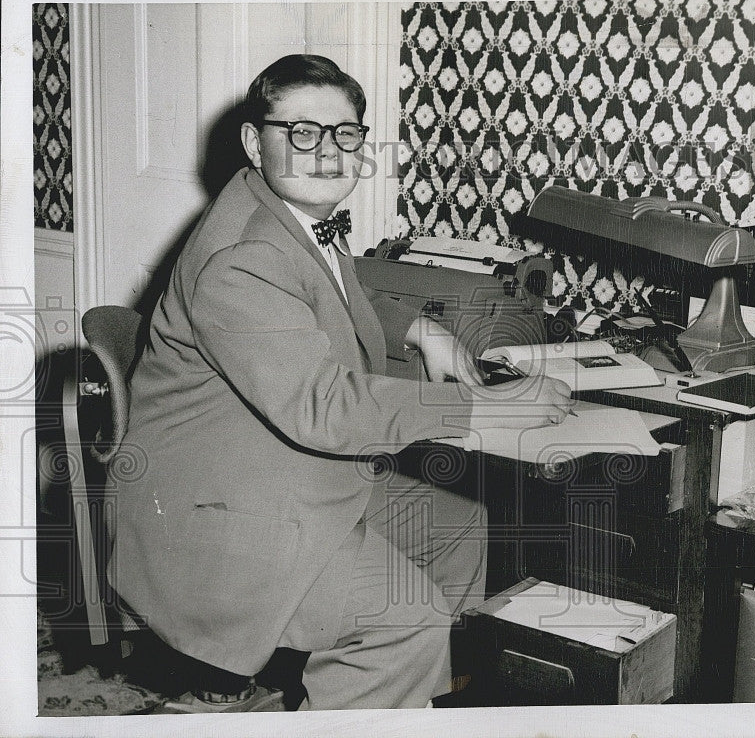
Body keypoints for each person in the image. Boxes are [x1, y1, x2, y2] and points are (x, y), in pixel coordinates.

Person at [109, 53, 572, 711]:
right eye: (302, 132)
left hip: (273, 474)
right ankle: (389, 670)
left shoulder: (280, 213)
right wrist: (483, 411)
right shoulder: (244, 258)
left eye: (345, 134)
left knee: (461, 527)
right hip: (219, 519)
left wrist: (417, 327)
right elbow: (323, 406)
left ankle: (413, 700)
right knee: (400, 621)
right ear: (253, 140)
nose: (327, 153)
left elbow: (326, 289)